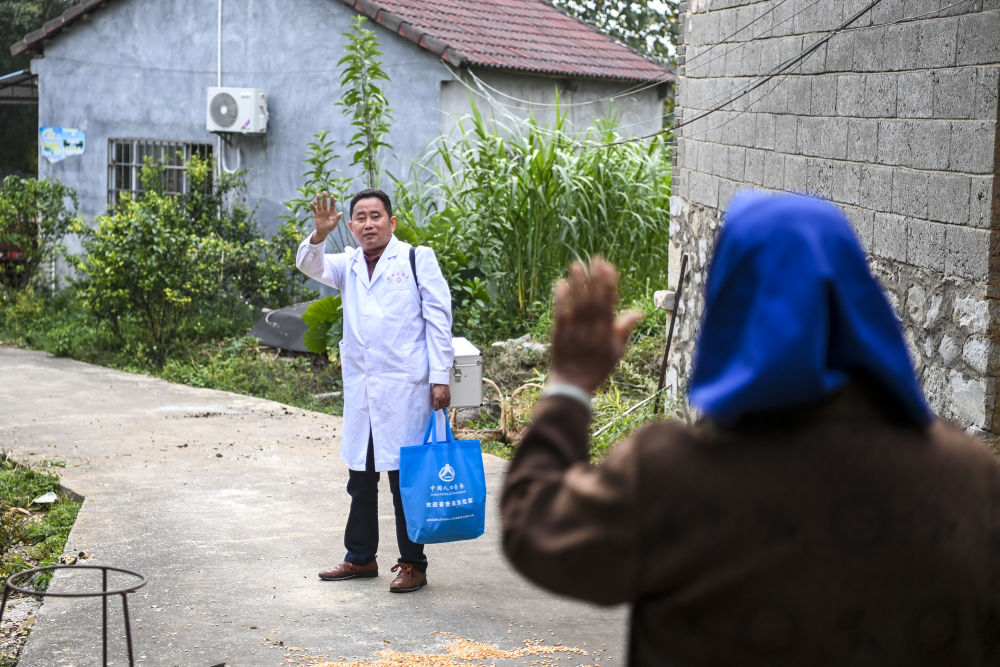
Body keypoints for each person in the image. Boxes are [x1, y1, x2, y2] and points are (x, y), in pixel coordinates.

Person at [501, 190, 1000, 665]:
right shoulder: (971, 481)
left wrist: (569, 385)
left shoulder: (670, 479)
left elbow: (534, 527)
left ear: (729, 309)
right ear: (859, 303)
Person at [297, 188, 453, 593]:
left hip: (406, 389)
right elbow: (308, 265)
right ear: (350, 227)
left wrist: (440, 377)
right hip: (364, 391)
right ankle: (361, 557)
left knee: (406, 481)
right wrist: (318, 234)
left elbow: (439, 320)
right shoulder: (346, 264)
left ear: (392, 222)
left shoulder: (417, 259)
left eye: (376, 216)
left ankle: (413, 563)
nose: (369, 224)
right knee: (361, 479)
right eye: (360, 218)